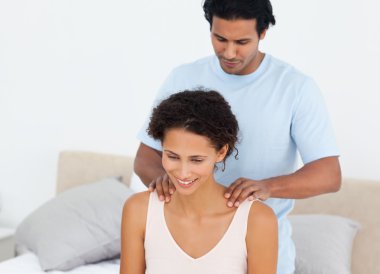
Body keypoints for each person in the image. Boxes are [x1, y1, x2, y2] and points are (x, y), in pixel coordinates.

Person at [134, 0, 341, 273]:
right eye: (220, 39)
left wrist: (268, 187)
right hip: (185, 245)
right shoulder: (183, 77)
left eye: (242, 41)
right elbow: (145, 158)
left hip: (262, 249)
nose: (229, 52)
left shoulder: (295, 88)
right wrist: (166, 183)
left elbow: (329, 174)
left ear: (263, 33)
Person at [120, 90, 278, 274]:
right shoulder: (139, 210)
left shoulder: (257, 219)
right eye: (172, 156)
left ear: (221, 153)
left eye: (196, 160)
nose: (183, 172)